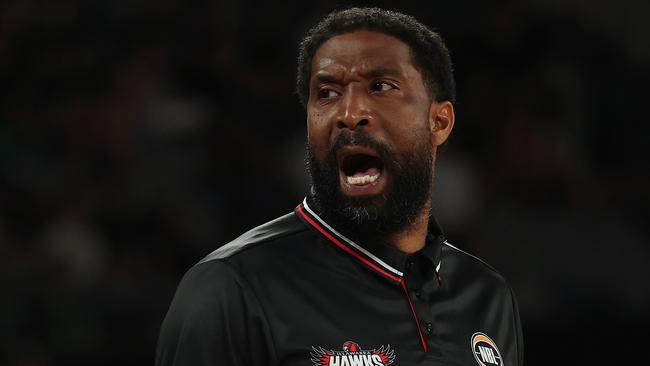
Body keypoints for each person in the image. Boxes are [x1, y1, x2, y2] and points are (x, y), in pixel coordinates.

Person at [156, 7, 523, 366]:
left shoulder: (488, 295)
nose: (349, 113)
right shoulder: (230, 288)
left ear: (439, 122)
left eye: (380, 86)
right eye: (327, 93)